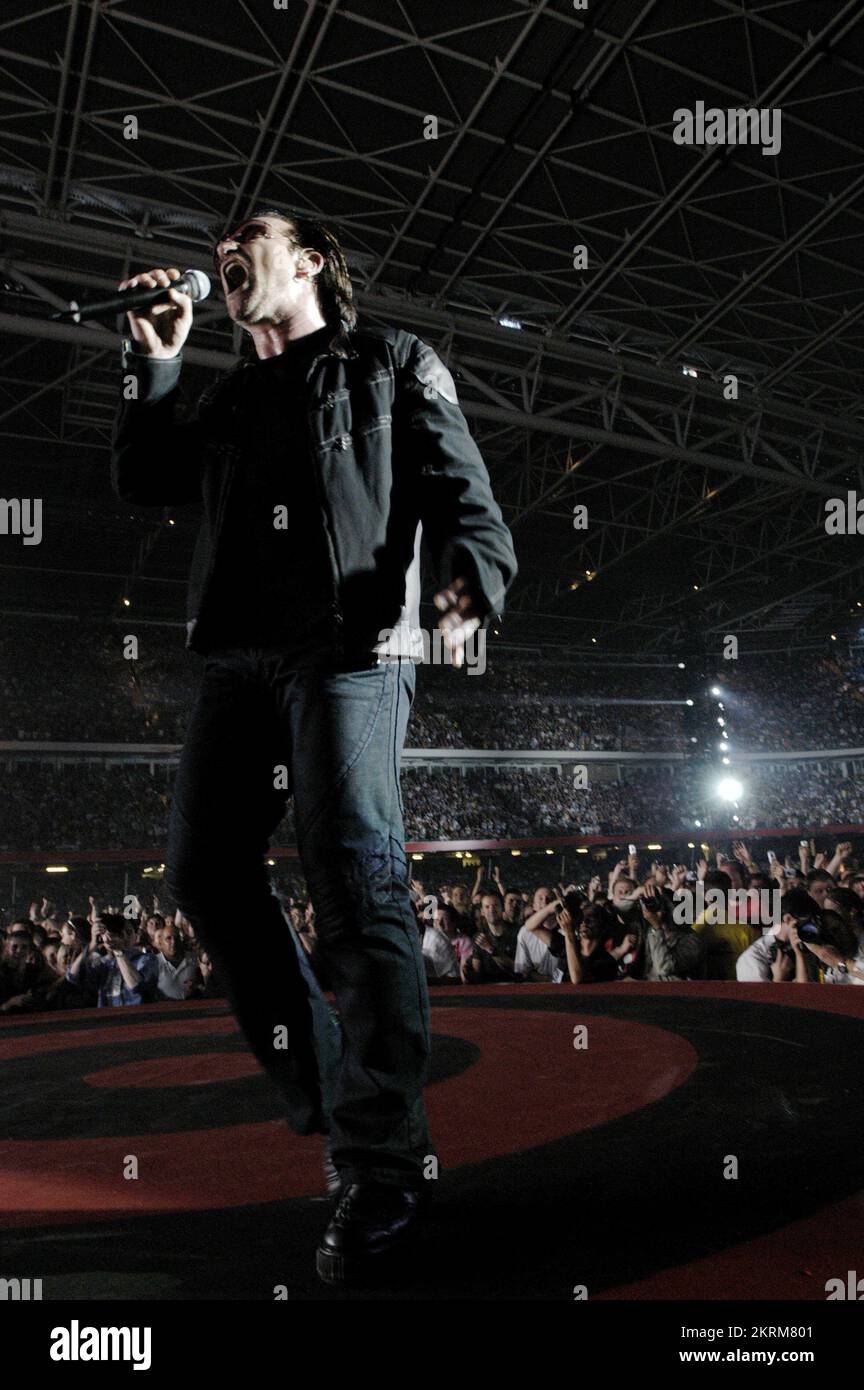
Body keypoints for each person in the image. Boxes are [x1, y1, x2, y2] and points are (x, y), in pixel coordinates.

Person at [111, 208, 517, 1285]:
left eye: (248, 236)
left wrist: (467, 585)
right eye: (217, 252)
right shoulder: (230, 394)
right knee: (201, 870)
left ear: (314, 260)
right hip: (239, 660)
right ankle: (337, 1081)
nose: (221, 257)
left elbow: (463, 494)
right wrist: (152, 366)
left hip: (352, 645)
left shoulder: (390, 360)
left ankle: (381, 1162)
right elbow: (144, 479)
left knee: (353, 875)